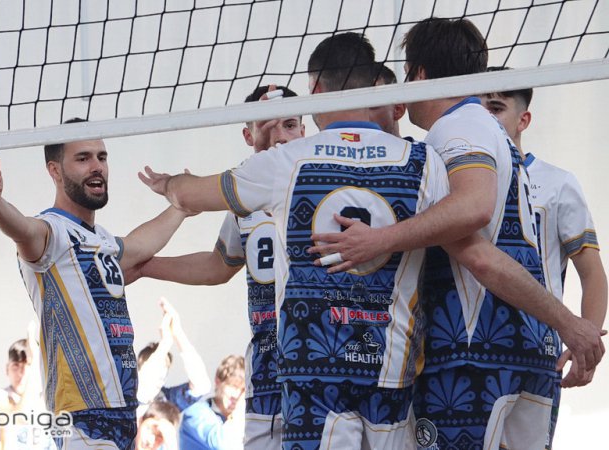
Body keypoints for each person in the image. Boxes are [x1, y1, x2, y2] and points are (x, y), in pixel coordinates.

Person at [140, 32, 456, 449]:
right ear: (372, 87)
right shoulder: (424, 161)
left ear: (315, 91)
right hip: (390, 367)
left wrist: (169, 185)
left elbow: (190, 194)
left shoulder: (286, 162)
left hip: (312, 369)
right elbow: (460, 228)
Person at [304, 18, 603, 449]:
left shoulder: (455, 128)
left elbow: (473, 220)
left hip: (473, 354)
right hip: (528, 348)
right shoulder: (490, 131)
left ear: (421, 74)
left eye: (407, 75)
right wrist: (564, 323)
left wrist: (380, 239)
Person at [0, 118, 194, 450]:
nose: (97, 166)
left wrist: (181, 205)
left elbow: (141, 245)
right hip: (81, 416)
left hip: (123, 413)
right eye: (83, 158)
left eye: (101, 157)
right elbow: (20, 228)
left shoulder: (103, 240)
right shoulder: (51, 232)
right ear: (55, 170)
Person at [136, 85, 304, 450]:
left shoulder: (324, 180)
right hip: (266, 366)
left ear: (304, 130)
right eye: (267, 126)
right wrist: (146, 266)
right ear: (248, 135)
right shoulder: (245, 199)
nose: (279, 137)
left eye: (290, 125)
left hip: (319, 363)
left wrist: (179, 188)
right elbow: (218, 266)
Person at [481, 69, 608, 440]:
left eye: (496, 108)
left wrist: (586, 344)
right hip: (463, 350)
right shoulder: (452, 177)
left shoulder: (557, 182)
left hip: (535, 354)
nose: (484, 117)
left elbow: (592, 273)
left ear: (523, 120)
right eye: (477, 108)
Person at [136, 298, 211, 414]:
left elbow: (202, 386)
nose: (160, 380)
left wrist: (178, 333)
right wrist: (165, 342)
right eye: (158, 372)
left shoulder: (166, 400)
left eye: (164, 374)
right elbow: (144, 387)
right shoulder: (128, 397)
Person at [0, 328, 56, 450]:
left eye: (28, 365)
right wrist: (35, 363)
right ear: (7, 369)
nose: (22, 372)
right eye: (16, 366)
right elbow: (19, 417)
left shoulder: (51, 398)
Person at [179, 355, 246, 450]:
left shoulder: (245, 421)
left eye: (243, 390)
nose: (237, 395)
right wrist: (241, 408)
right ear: (218, 381)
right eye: (233, 387)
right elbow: (223, 443)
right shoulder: (195, 412)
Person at [369, 63, 406, 138]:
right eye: (354, 109)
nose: (360, 117)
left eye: (372, 106)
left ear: (398, 109)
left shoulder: (426, 146)